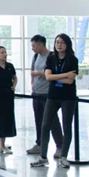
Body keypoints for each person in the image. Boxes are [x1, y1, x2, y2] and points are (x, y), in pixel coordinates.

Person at [30, 33, 78, 169]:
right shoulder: (51, 58)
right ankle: (43, 157)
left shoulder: (72, 60)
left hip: (68, 97)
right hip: (52, 96)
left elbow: (70, 81)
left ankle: (63, 156)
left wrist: (56, 77)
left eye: (62, 42)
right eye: (57, 42)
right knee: (45, 125)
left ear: (67, 44)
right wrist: (64, 75)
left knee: (66, 126)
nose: (59, 45)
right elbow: (48, 76)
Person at [27, 35, 62, 155]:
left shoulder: (52, 57)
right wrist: (32, 83)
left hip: (48, 94)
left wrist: (40, 74)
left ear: (41, 44)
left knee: (52, 121)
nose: (32, 48)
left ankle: (60, 145)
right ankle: (40, 143)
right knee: (39, 119)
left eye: (34, 45)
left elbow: (53, 74)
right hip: (36, 93)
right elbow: (32, 72)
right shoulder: (35, 56)